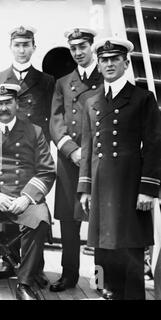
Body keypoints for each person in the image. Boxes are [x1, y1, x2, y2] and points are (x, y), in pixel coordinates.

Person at [78, 38, 161, 300]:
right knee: (102, 251)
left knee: (131, 251)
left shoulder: (142, 98)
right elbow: (88, 147)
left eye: (115, 59)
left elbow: (154, 144)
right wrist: (85, 188)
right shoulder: (91, 102)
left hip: (130, 186)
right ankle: (105, 292)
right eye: (104, 59)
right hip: (101, 188)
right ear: (99, 65)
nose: (110, 64)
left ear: (126, 63)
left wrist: (148, 188)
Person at [0, 83, 55, 300]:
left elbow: (46, 171)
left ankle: (25, 282)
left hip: (24, 197)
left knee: (39, 220)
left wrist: (26, 198)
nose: (3, 108)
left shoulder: (34, 131)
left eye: (8, 103)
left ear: (17, 104)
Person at [0, 26, 55, 279]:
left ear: (34, 47)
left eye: (27, 45)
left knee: (34, 212)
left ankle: (33, 270)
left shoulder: (46, 81)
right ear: (11, 47)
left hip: (32, 152)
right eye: (18, 45)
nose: (22, 50)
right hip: (3, 154)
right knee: (4, 209)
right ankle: (8, 261)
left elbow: (50, 120)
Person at [49, 28, 103, 292]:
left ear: (92, 46)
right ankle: (69, 274)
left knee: (102, 220)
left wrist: (89, 152)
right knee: (69, 222)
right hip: (70, 162)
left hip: (100, 161)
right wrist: (71, 150)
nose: (78, 52)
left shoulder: (106, 77)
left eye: (83, 46)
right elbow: (55, 121)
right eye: (74, 48)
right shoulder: (63, 82)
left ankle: (101, 278)